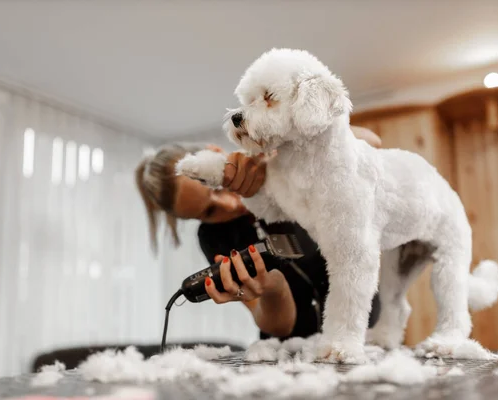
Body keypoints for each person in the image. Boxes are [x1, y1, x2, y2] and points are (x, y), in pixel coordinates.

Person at [136, 126, 383, 340]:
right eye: (209, 212)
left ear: (214, 154)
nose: (230, 205)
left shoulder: (278, 168)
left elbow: (372, 142)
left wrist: (281, 161)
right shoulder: (214, 238)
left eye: (216, 187)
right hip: (293, 353)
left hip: (363, 333)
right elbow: (279, 326)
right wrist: (273, 289)